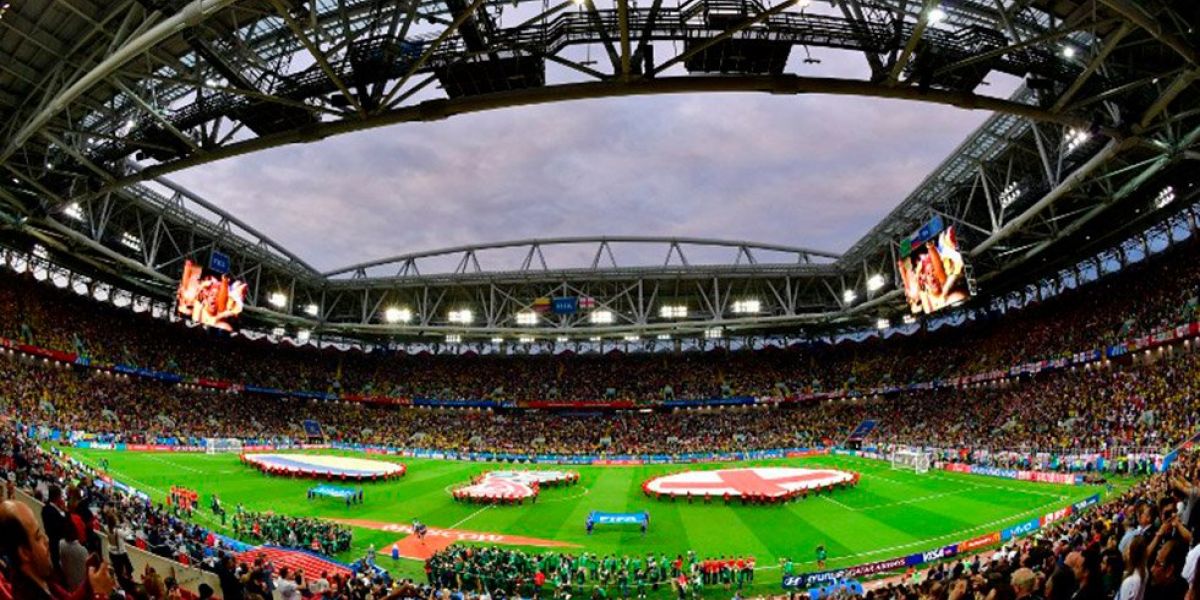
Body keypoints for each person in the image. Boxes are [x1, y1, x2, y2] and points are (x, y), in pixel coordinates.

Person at [0, 500, 115, 600]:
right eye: (38, 536)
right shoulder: (26, 594)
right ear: (24, 553)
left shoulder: (40, 577)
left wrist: (89, 584)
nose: (46, 540)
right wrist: (100, 594)